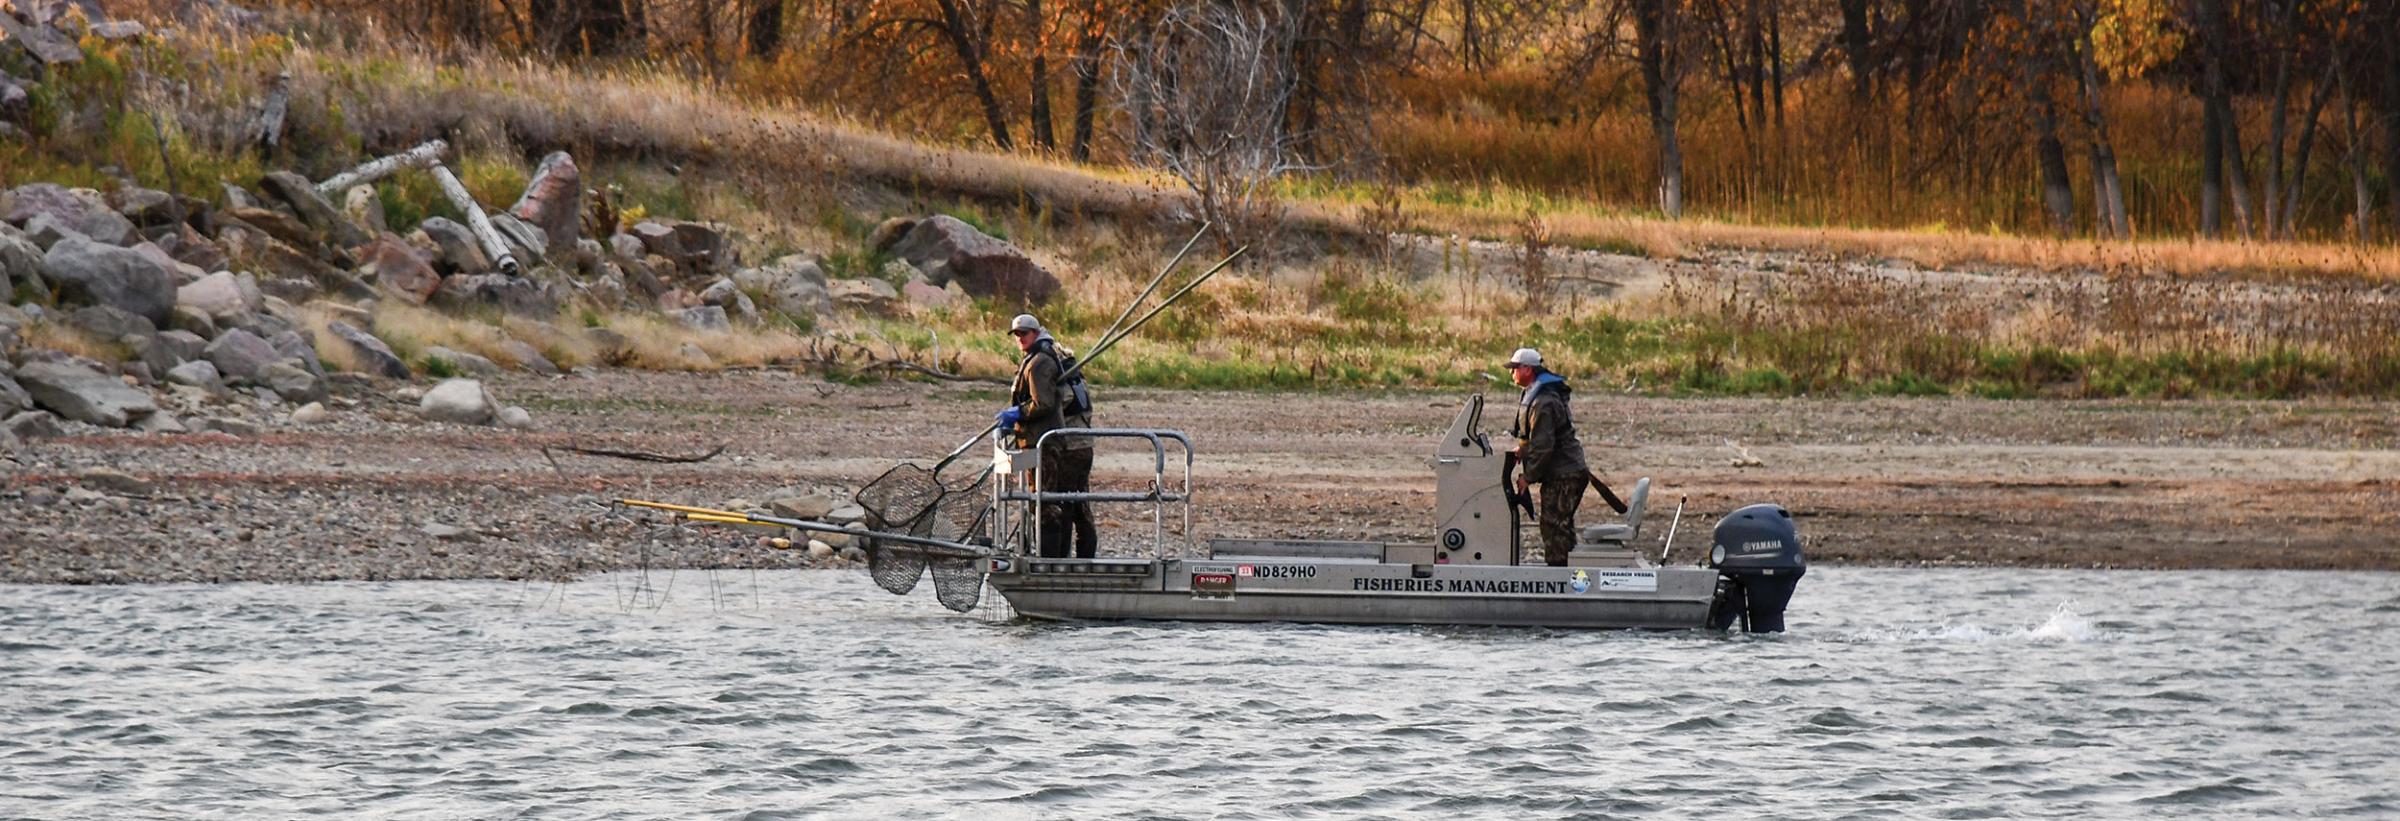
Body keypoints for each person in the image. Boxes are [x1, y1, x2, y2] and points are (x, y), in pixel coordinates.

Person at [999, 314, 1099, 558]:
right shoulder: (1047, 357)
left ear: (1035, 332)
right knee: (1070, 502)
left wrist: (1017, 413)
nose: (1020, 338)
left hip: (1048, 443)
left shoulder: (1040, 362)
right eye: (1017, 334)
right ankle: (1067, 558)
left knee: (1049, 503)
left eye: (1024, 333)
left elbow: (1043, 403)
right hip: (1060, 441)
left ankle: (1051, 561)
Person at [1506, 347, 1588, 567]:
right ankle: (1568, 576)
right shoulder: (1536, 395)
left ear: (1527, 369)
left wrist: (1528, 477)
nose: (1511, 372)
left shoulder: (1543, 402)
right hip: (1562, 473)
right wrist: (1522, 451)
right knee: (1559, 526)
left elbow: (1544, 447)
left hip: (1565, 475)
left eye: (1514, 368)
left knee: (1555, 527)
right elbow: (1535, 438)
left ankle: (1560, 578)